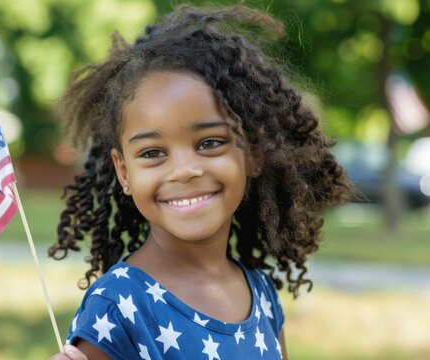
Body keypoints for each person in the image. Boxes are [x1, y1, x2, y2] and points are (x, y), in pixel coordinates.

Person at [49, 4, 352, 359]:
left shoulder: (262, 295)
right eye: (152, 153)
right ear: (124, 172)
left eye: (209, 143)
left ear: (252, 153)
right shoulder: (117, 306)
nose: (184, 170)